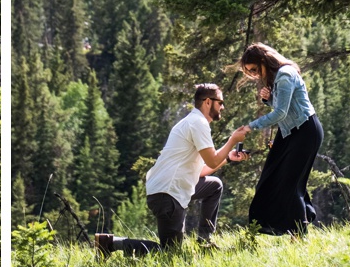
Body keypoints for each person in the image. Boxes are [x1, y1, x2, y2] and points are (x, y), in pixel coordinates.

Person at [95, 83, 250, 257]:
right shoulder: (198, 123)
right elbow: (212, 159)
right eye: (220, 102)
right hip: (167, 194)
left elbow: (201, 171)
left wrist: (228, 158)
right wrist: (232, 139)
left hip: (171, 188)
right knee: (170, 253)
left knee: (215, 186)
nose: (223, 107)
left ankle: (204, 240)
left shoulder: (194, 122)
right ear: (207, 102)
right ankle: (110, 243)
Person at [239, 42, 323, 236]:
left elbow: (281, 113)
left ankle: (299, 233)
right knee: (273, 178)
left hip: (305, 131)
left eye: (253, 69)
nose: (254, 74)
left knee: (290, 184)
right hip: (291, 133)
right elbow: (285, 108)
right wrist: (269, 99)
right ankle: (302, 218)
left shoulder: (285, 75)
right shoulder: (279, 76)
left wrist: (251, 126)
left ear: (262, 61)